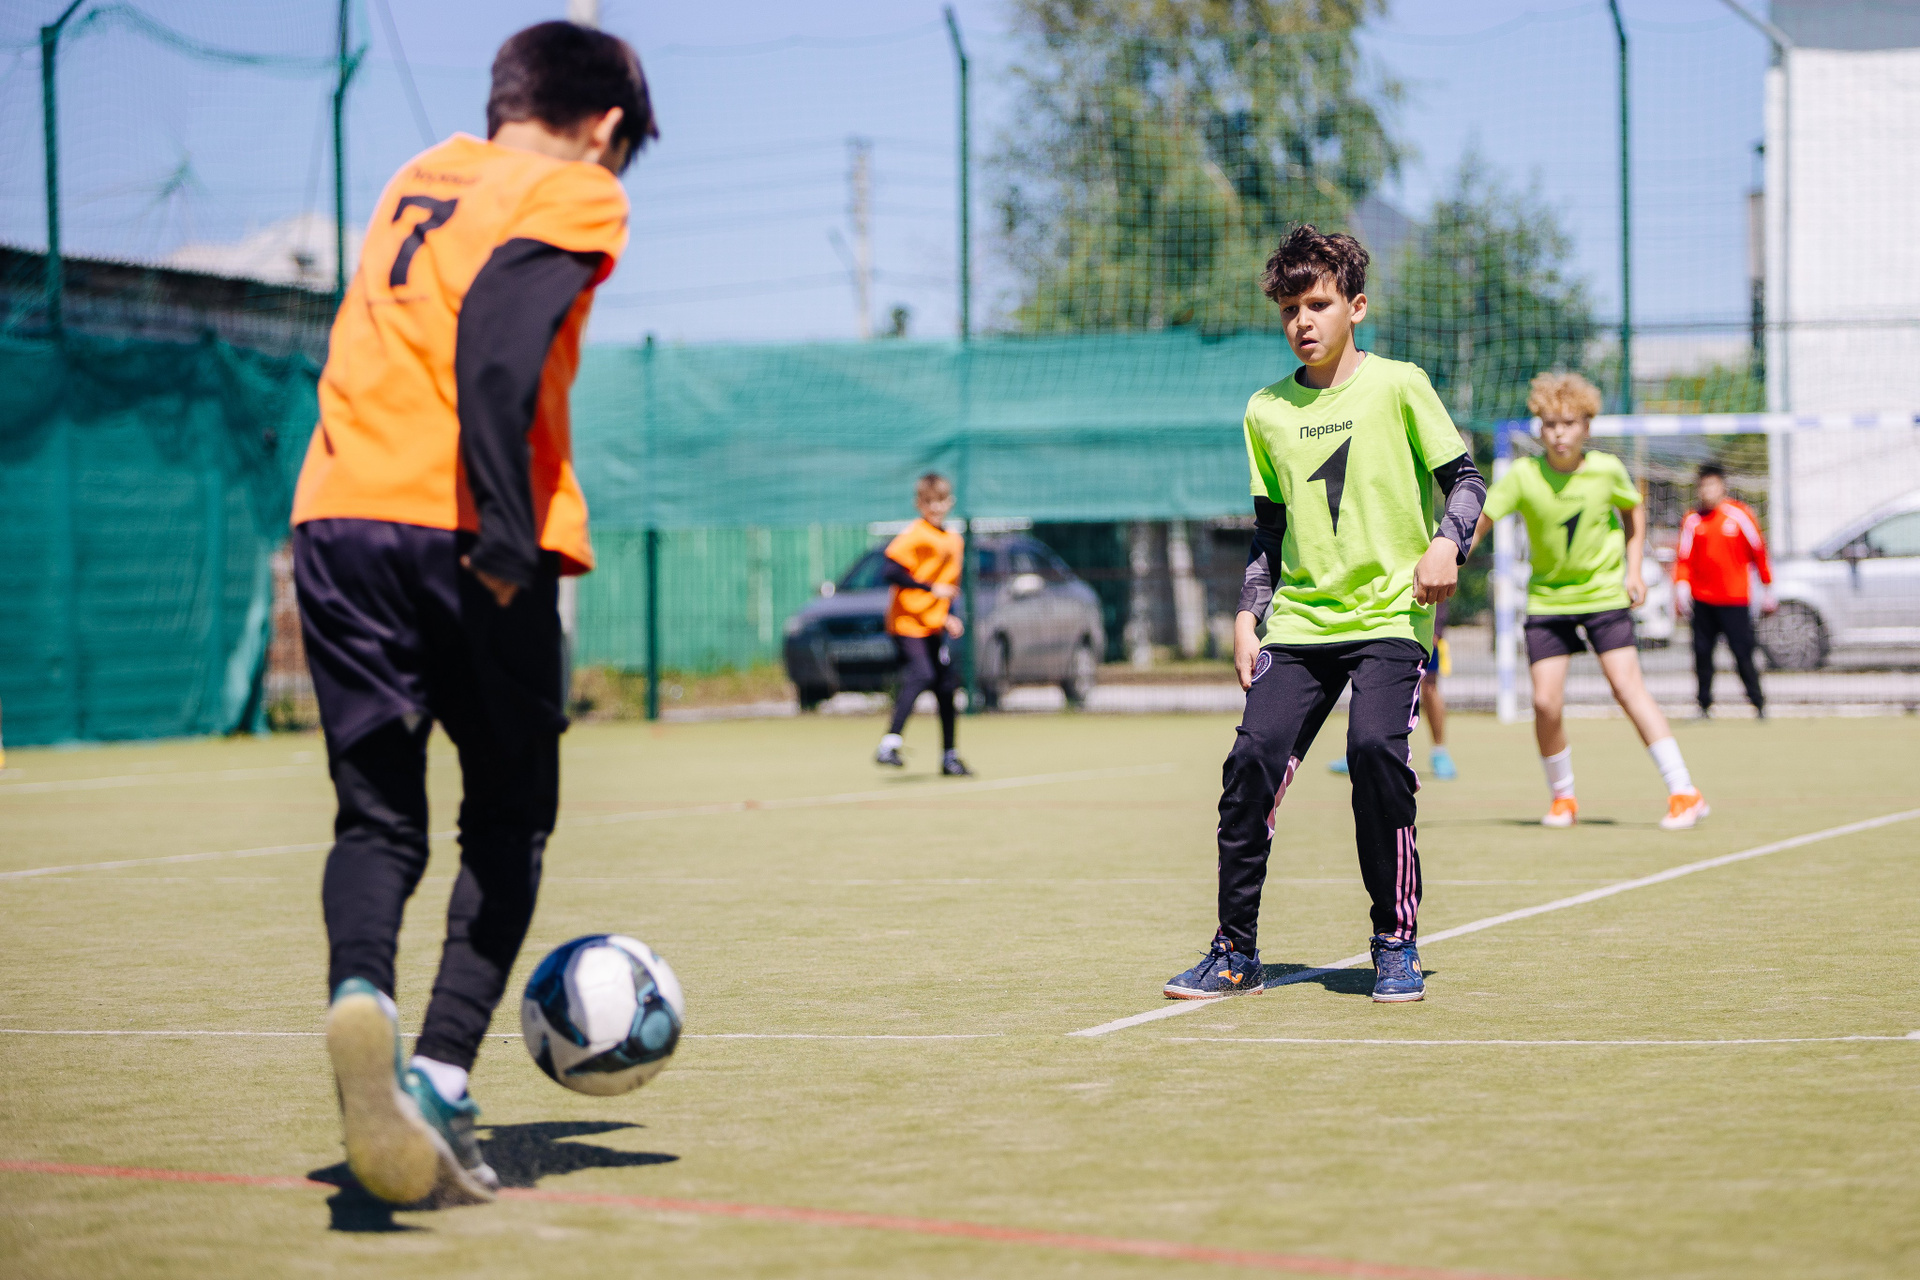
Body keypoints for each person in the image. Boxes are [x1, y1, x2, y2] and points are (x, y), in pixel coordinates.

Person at [289, 22, 655, 1207]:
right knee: (507, 817)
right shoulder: (576, 191)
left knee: (377, 819)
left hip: (335, 515)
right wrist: (504, 527)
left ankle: (364, 995)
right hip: (461, 531)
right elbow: (496, 344)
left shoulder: (419, 177)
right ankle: (440, 1074)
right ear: (604, 128)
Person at [1163, 225, 1486, 1006]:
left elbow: (1467, 482)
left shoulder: (1401, 385)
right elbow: (1267, 532)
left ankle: (1395, 942)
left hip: (1390, 618)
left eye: (1317, 304)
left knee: (1374, 752)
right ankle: (1234, 953)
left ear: (1356, 307)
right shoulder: (1265, 411)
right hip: (1301, 626)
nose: (1302, 321)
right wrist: (1249, 615)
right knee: (1250, 765)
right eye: (1288, 310)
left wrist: (1447, 544)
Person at [1470, 372, 1708, 831]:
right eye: (1550, 424)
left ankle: (1684, 792)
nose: (1559, 433)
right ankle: (1563, 799)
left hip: (1603, 596)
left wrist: (1634, 570)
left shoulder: (1606, 470)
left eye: (1569, 423)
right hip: (1547, 601)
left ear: (1586, 427)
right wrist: (1451, 557)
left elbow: (1633, 512)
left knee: (1627, 688)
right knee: (1545, 703)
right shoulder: (1523, 475)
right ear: (1540, 428)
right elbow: (1483, 520)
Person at [874, 473, 971, 776]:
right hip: (907, 622)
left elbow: (948, 586)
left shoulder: (954, 540)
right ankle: (889, 744)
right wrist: (929, 589)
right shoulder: (915, 535)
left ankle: (949, 757)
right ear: (919, 504)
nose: (935, 507)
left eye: (940, 501)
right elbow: (890, 571)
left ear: (950, 502)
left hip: (933, 624)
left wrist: (948, 615)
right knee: (923, 673)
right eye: (929, 502)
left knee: (946, 685)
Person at [1676, 463, 1774, 718]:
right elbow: (1683, 559)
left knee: (1742, 652)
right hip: (1702, 600)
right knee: (1702, 654)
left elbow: (1758, 551)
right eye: (1702, 486)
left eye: (1711, 485)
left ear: (1722, 486)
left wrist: (1767, 588)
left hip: (1735, 599)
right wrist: (1681, 586)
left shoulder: (1740, 515)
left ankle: (1758, 703)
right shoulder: (1692, 519)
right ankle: (1704, 705)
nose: (1707, 491)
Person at [1328, 600, 1456, 781]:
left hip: (1420, 628)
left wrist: (1436, 627)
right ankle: (1357, 751)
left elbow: (1438, 589)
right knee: (1366, 682)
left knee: (1429, 687)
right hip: (1380, 629)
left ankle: (1439, 752)